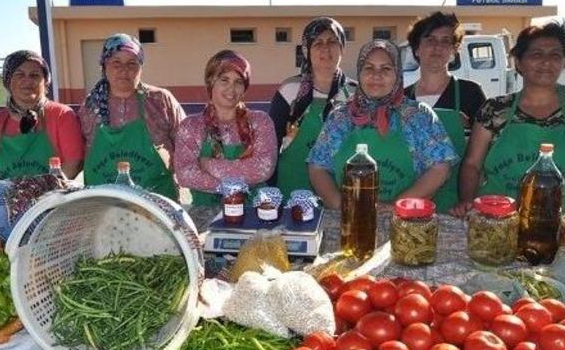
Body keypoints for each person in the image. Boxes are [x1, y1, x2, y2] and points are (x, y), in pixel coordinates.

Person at [451, 20, 565, 217]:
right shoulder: (494, 109)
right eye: (536, 54)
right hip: (497, 220)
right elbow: (472, 164)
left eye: (555, 55)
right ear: (518, 62)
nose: (546, 62)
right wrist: (467, 202)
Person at [308, 40, 459, 209]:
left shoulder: (418, 116)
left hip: (404, 218)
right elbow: (317, 168)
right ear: (359, 73)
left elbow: (440, 168)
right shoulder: (340, 117)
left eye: (385, 68)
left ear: (397, 74)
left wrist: (395, 207)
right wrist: (342, 207)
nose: (376, 75)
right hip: (348, 218)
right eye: (369, 68)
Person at [78, 33, 186, 199]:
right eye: (116, 63)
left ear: (141, 67)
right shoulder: (90, 107)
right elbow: (75, 156)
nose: (124, 70)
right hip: (103, 203)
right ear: (104, 66)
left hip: (156, 202)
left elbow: (187, 147)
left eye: (132, 63)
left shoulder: (160, 100)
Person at [404, 12, 487, 213]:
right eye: (430, 39)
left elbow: (484, 155)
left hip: (457, 204)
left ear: (454, 50)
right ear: (417, 49)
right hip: (410, 201)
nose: (437, 47)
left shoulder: (470, 93)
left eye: (445, 41)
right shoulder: (403, 99)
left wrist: (468, 201)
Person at [267, 17, 357, 198]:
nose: (326, 48)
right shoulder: (290, 89)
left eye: (332, 42)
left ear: (342, 48)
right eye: (318, 43)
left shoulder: (356, 94)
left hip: (337, 191)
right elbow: (272, 144)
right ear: (307, 50)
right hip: (290, 187)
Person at [174, 50, 277, 206]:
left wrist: (207, 164)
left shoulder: (260, 122)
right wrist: (229, 187)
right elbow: (185, 175)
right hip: (205, 213)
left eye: (238, 82)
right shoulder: (191, 127)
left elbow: (263, 169)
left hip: (253, 211)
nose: (231, 89)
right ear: (211, 82)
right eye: (224, 80)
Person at [0, 50, 84, 180]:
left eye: (35, 75)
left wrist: (46, 189)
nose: (27, 80)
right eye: (19, 74)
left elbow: (74, 163)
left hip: (53, 192)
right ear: (8, 81)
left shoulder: (61, 115)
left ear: (45, 82)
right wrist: (4, 190)